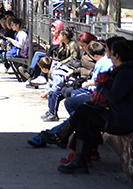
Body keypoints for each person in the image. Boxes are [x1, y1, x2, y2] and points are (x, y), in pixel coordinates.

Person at [41, 38, 133, 174]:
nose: (108, 56)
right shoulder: (122, 71)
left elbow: (114, 96)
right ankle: (79, 159)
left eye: (110, 53)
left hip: (121, 121)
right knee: (84, 117)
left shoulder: (125, 73)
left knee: (83, 110)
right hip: (118, 115)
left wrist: (100, 86)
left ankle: (62, 136)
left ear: (117, 55)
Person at [38, 56, 69, 122]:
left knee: (55, 94)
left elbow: (57, 86)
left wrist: (47, 92)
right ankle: (50, 111)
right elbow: (52, 86)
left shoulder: (56, 72)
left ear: (44, 69)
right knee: (51, 92)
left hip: (68, 86)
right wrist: (47, 91)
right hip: (63, 86)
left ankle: (54, 114)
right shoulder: (52, 70)